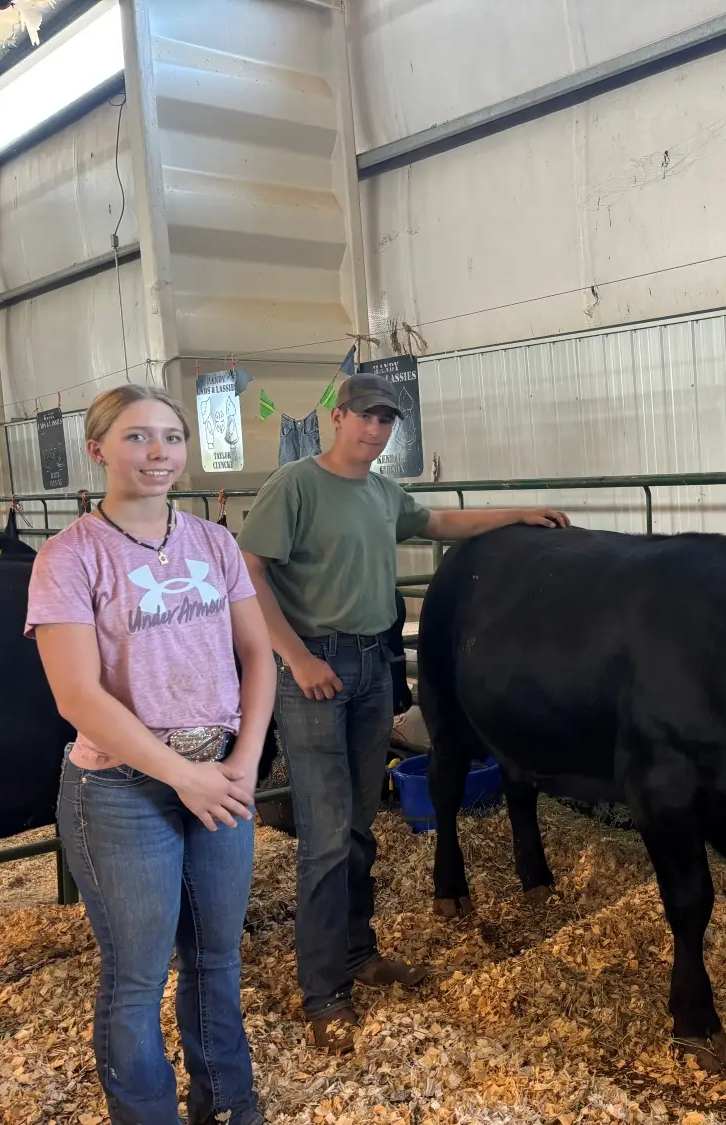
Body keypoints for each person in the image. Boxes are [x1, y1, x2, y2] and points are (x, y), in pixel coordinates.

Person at [236, 371, 570, 1052]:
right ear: (336, 415)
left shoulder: (382, 492)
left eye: (387, 420)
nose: (375, 430)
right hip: (316, 670)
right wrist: (295, 657)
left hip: (371, 663)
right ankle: (324, 988)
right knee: (328, 833)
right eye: (366, 416)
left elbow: (440, 521)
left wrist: (518, 514)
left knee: (359, 822)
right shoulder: (296, 485)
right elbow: (248, 570)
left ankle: (359, 952)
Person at [26, 383, 274, 1125]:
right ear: (98, 449)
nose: (159, 451)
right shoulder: (69, 556)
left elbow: (259, 654)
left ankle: (230, 1106)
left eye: (171, 435)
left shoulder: (213, 541)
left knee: (217, 959)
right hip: (121, 788)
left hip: (220, 774)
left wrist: (245, 760)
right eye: (137, 437)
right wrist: (182, 776)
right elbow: (77, 695)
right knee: (137, 976)